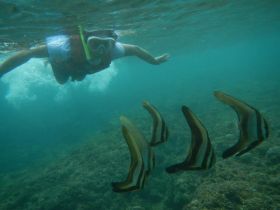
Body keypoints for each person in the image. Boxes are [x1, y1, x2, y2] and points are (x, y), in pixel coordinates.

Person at [0, 26, 169, 84]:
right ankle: (53, 62)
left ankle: (75, 71)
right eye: (95, 44)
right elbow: (26, 54)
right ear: (85, 40)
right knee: (62, 81)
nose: (102, 50)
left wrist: (154, 61)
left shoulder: (114, 49)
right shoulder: (64, 47)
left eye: (106, 44)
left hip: (83, 69)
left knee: (80, 77)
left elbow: (136, 49)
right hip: (64, 63)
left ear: (112, 42)